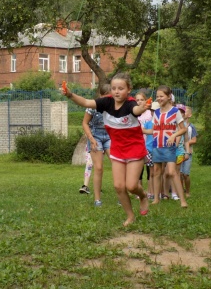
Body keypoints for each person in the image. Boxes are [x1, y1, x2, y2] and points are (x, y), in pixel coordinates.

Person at [62, 73, 149, 226]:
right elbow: (86, 102)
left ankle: (143, 196)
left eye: (121, 88)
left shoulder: (130, 104)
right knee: (118, 186)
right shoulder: (106, 102)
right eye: (114, 88)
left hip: (134, 149)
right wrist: (70, 94)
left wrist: (141, 108)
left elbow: (135, 110)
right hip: (117, 149)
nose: (116, 91)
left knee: (132, 186)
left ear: (129, 89)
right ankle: (130, 216)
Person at [143, 85, 188, 207]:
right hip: (157, 145)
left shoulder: (175, 111)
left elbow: (183, 129)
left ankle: (183, 201)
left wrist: (174, 136)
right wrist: (140, 130)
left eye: (161, 96)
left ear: (169, 97)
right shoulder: (156, 112)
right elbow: (153, 130)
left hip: (169, 146)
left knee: (173, 172)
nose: (158, 98)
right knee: (157, 171)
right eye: (157, 96)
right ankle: (156, 199)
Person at [81, 84, 111, 206]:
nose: (108, 100)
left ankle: (122, 196)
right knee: (98, 168)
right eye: (105, 97)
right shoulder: (93, 107)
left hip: (110, 136)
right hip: (95, 136)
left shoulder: (115, 105)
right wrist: (91, 139)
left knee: (118, 164)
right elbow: (84, 123)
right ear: (100, 96)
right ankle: (97, 199)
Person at [135, 90, 152, 190]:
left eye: (142, 99)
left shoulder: (150, 113)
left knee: (150, 168)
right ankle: (139, 189)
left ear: (146, 101)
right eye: (137, 100)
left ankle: (150, 191)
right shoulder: (134, 114)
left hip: (149, 143)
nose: (139, 102)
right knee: (139, 169)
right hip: (138, 143)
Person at [143, 101, 160, 200]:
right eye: (152, 110)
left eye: (155, 110)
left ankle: (158, 192)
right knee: (151, 172)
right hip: (149, 148)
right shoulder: (148, 123)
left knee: (158, 171)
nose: (154, 112)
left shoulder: (161, 122)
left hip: (158, 148)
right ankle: (151, 192)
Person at [180, 106, 198, 198]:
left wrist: (185, 143)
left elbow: (194, 140)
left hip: (188, 152)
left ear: (189, 115)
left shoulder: (191, 127)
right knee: (179, 173)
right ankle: (180, 190)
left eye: (185, 111)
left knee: (185, 174)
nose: (182, 113)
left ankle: (187, 191)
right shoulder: (177, 125)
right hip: (179, 152)